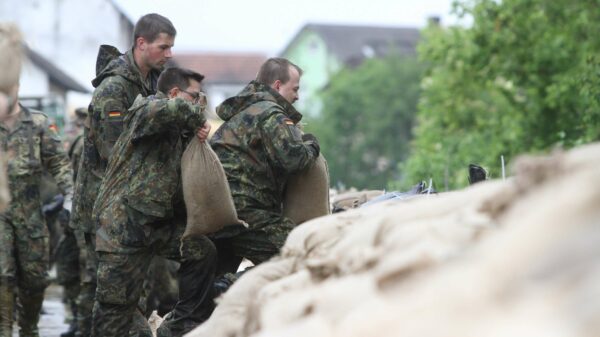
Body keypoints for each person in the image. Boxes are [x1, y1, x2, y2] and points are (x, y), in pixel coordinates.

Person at [69, 13, 175, 336]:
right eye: (163, 47)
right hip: (106, 214)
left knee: (129, 303)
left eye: (171, 47)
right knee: (116, 308)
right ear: (141, 44)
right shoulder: (114, 89)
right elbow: (116, 154)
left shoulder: (148, 84)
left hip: (128, 213)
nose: (169, 54)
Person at [91, 67, 215, 337]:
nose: (199, 103)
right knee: (113, 315)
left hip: (155, 227)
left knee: (202, 251)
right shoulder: (146, 110)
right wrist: (199, 118)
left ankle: (178, 326)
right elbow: (172, 112)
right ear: (173, 93)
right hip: (121, 229)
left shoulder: (179, 130)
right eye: (195, 96)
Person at [209, 57, 320, 280]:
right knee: (298, 254)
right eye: (295, 89)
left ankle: (215, 296)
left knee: (208, 285)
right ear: (278, 86)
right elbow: (293, 159)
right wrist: (312, 145)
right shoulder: (271, 113)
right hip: (248, 210)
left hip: (221, 208)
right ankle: (233, 287)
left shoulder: (246, 110)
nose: (297, 96)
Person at [0, 84, 74, 337]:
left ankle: (29, 328)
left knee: (35, 279)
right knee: (3, 275)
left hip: (30, 216)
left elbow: (60, 164)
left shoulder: (38, 124)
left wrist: (70, 197)